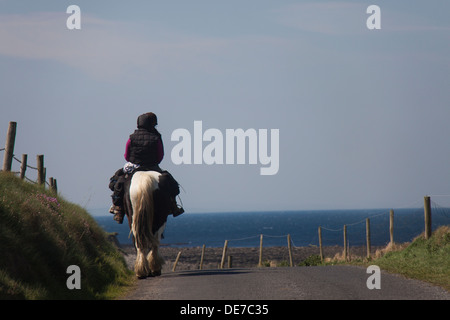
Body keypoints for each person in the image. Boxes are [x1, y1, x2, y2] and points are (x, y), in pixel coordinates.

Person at [109, 112, 184, 223]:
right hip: (152, 166)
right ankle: (173, 206)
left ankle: (118, 208)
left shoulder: (131, 138)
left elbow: (126, 155)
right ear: (153, 124)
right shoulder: (156, 137)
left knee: (117, 181)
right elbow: (160, 155)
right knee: (169, 183)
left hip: (134, 166)